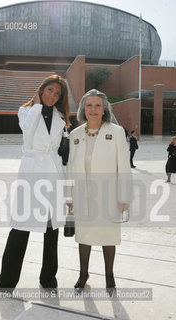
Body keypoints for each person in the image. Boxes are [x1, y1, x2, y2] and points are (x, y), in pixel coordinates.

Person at [0, 74, 70, 292]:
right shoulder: (26, 111)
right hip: (32, 172)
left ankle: (48, 278)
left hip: (54, 174)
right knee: (20, 228)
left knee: (51, 230)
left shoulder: (61, 117)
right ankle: (6, 282)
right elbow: (27, 129)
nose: (53, 96)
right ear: (41, 89)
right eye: (50, 90)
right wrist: (36, 106)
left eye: (57, 93)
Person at [67, 89, 131, 292]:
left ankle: (109, 275)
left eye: (97, 105)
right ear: (82, 109)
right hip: (82, 196)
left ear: (104, 109)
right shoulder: (75, 134)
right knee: (84, 237)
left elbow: (124, 167)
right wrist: (68, 197)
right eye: (89, 105)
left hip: (108, 195)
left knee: (108, 236)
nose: (93, 109)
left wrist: (124, 197)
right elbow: (70, 168)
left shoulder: (117, 132)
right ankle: (83, 274)